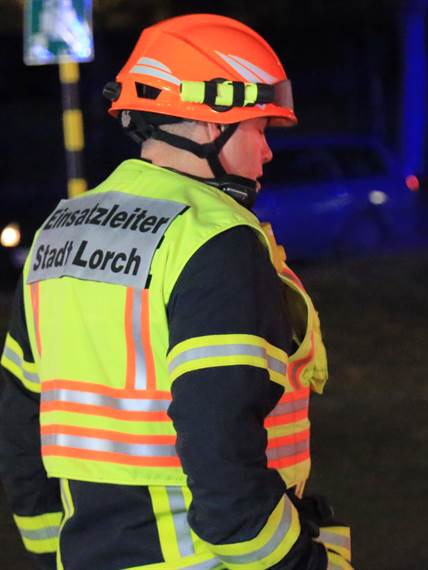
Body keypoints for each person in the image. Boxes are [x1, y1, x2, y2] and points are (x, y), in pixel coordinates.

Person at [0, 14, 352, 570]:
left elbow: (22, 420)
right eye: (259, 128)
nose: (267, 152)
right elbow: (222, 456)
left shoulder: (59, 231)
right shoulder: (215, 238)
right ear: (212, 124)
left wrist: (50, 548)